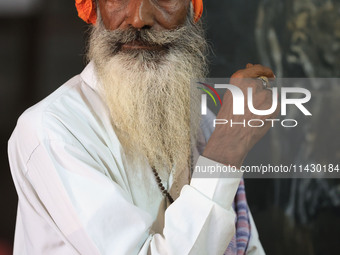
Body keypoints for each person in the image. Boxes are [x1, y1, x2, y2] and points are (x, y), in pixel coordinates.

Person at [8, 0, 278, 254]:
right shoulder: (54, 130)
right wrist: (226, 150)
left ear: (193, 8)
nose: (139, 19)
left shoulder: (202, 121)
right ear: (94, 8)